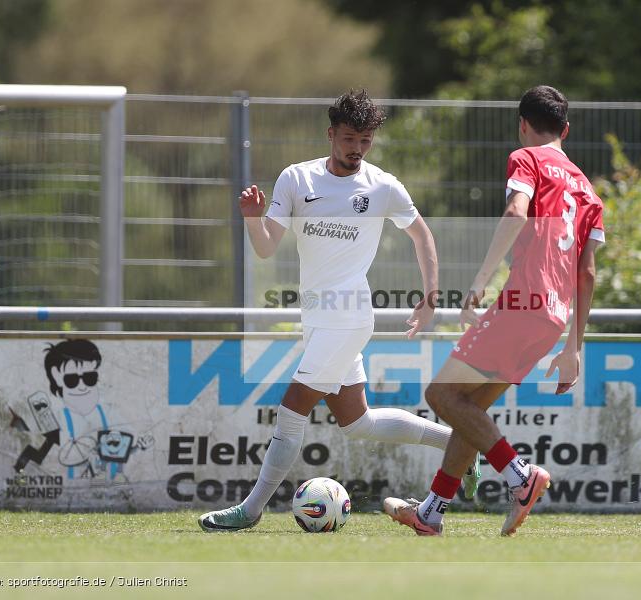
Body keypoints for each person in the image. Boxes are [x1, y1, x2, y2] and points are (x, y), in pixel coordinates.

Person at [199, 89, 478, 531]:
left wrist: (431, 296)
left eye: (366, 141)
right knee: (358, 423)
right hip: (317, 318)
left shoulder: (383, 186)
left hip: (348, 318)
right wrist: (252, 217)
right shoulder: (296, 179)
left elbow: (422, 236)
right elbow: (267, 248)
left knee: (293, 407)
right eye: (350, 138)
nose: (357, 149)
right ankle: (461, 442)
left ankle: (249, 511)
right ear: (331, 134)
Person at [384, 85, 605, 536]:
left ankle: (521, 477)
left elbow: (516, 212)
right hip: (554, 318)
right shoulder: (588, 192)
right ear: (566, 129)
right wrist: (573, 348)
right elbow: (588, 274)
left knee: (442, 397)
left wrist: (480, 282)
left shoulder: (527, 159)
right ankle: (432, 511)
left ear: (522, 124)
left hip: (524, 302)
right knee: (470, 409)